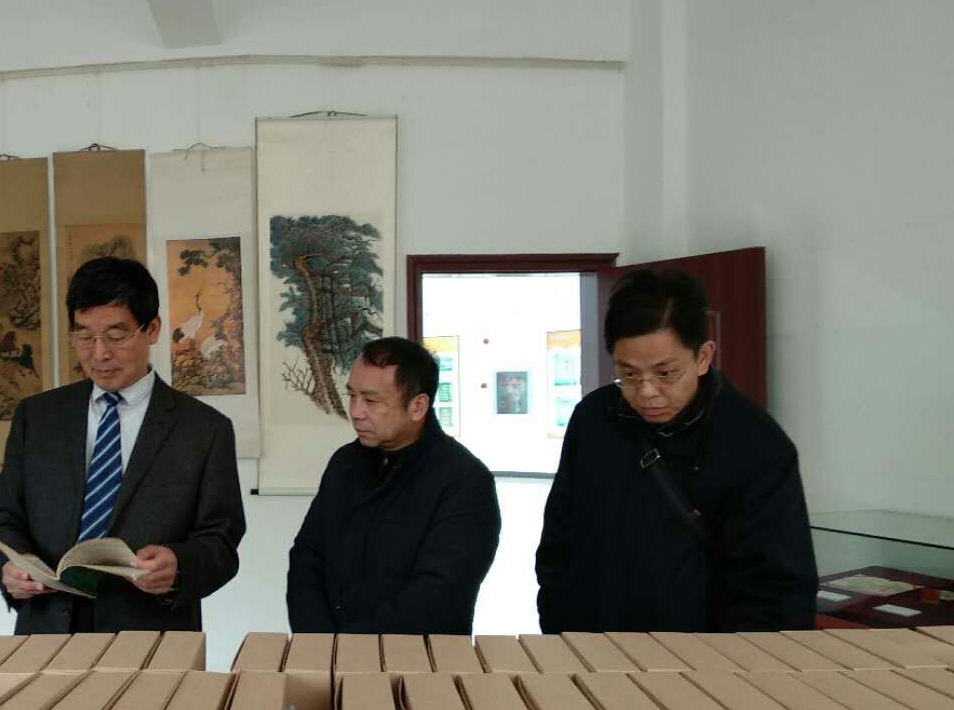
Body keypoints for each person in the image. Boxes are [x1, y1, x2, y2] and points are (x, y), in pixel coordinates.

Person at [536, 269, 816, 632]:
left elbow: (776, 593)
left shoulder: (756, 445)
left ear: (703, 357)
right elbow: (559, 539)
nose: (647, 392)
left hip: (699, 656)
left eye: (665, 373)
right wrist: (560, 628)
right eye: (628, 374)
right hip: (591, 645)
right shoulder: (593, 418)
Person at [0, 257, 246, 633]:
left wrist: (179, 566)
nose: (99, 353)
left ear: (151, 329)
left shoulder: (204, 429)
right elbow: (1, 518)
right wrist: (9, 567)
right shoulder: (37, 417)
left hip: (151, 638)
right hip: (45, 631)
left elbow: (221, 541)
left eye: (116, 336)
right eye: (84, 336)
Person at [287, 337, 501, 634]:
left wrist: (350, 646)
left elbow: (439, 595)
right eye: (352, 395)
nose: (356, 411)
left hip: (417, 657)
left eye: (371, 400)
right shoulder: (344, 463)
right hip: (327, 651)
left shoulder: (464, 480)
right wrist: (318, 638)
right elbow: (307, 557)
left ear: (417, 406)